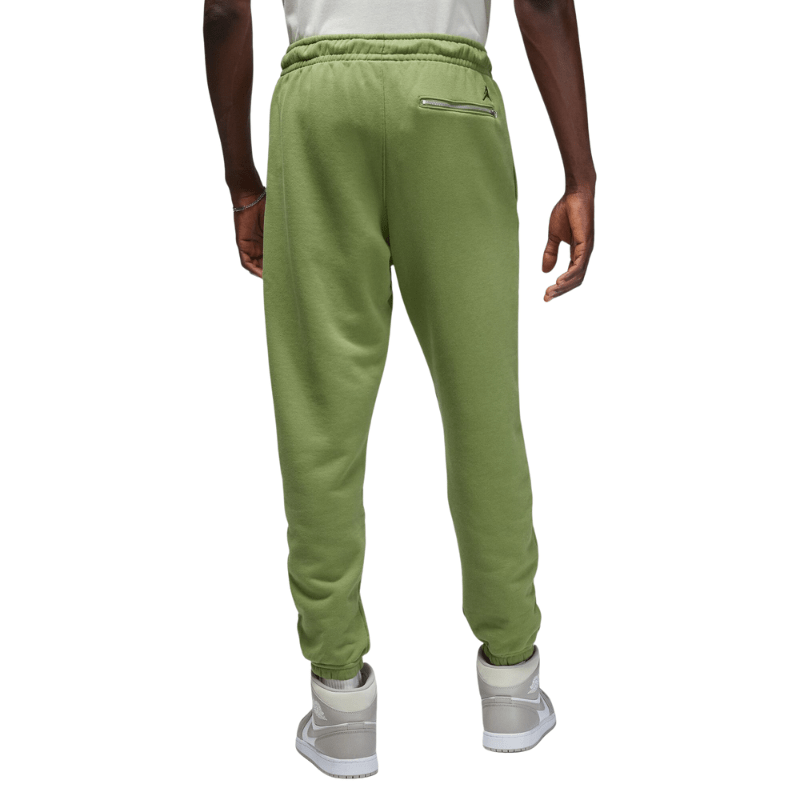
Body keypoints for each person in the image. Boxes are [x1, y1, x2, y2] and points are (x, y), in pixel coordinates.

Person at [204, 0, 595, 778]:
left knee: (320, 421)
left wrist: (243, 181)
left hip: (318, 109)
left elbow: (223, 10)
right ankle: (512, 687)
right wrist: (580, 173)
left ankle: (340, 706)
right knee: (483, 408)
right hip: (450, 102)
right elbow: (543, 3)